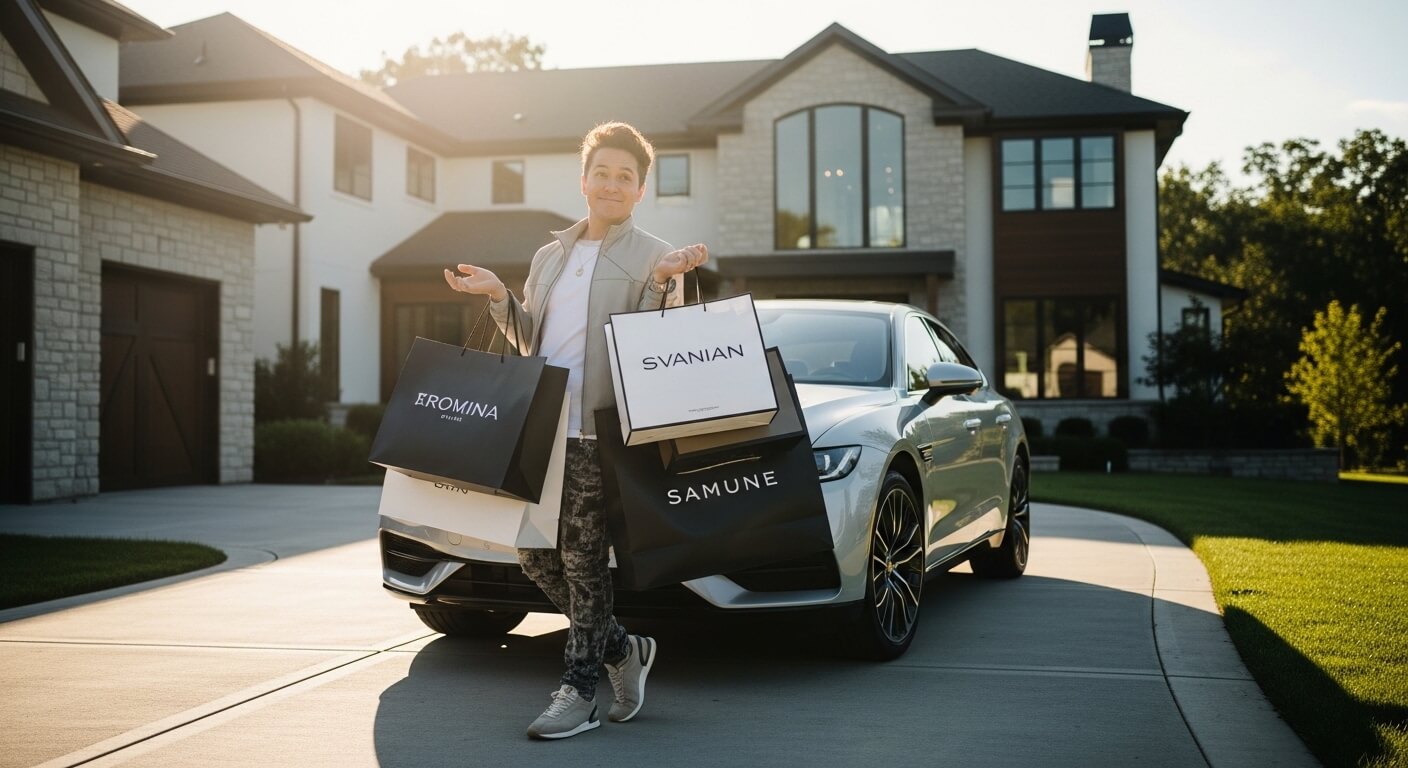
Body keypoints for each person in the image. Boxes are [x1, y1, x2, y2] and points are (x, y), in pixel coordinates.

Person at [443, 121, 707, 740]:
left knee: (584, 560)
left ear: (640, 190)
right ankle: (622, 649)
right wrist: (498, 296)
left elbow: (663, 342)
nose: (613, 184)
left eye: (626, 177)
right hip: (543, 428)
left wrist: (669, 281)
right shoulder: (550, 255)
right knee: (535, 553)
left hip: (599, 430)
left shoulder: (653, 254)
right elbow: (532, 339)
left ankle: (578, 689)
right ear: (583, 180)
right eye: (603, 173)